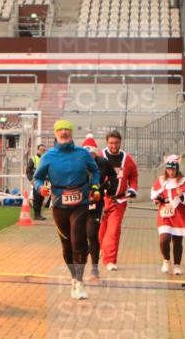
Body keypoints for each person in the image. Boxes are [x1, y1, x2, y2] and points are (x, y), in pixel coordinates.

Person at [33, 119, 100, 299]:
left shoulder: (82, 154)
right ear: (55, 134)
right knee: (66, 244)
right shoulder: (48, 156)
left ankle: (79, 282)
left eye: (67, 130)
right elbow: (37, 178)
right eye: (60, 130)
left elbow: (95, 171)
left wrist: (95, 187)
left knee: (78, 240)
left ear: (71, 133)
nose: (64, 133)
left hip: (80, 202)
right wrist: (41, 188)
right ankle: (74, 277)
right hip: (59, 204)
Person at [98, 130, 139, 271]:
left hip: (119, 201)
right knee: (100, 229)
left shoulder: (127, 159)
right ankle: (100, 248)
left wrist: (132, 189)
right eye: (111, 143)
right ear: (106, 142)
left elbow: (133, 176)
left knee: (113, 230)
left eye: (116, 143)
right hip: (101, 200)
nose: (113, 146)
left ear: (120, 142)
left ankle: (110, 260)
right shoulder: (99, 156)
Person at [150, 155, 185, 275]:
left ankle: (177, 265)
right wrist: (157, 199)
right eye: (169, 169)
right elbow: (155, 194)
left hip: (179, 213)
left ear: (177, 169)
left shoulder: (183, 181)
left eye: (173, 169)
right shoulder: (161, 180)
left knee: (177, 241)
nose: (171, 172)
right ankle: (166, 260)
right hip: (165, 213)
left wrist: (181, 195)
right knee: (164, 239)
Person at [81, 134, 118, 280]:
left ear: (95, 153)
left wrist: (110, 188)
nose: (89, 157)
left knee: (91, 234)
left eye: (91, 154)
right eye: (86, 154)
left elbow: (113, 175)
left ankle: (94, 268)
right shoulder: (78, 162)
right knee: (79, 236)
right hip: (80, 203)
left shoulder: (103, 162)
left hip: (96, 203)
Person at [26, 143, 48, 220]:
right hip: (36, 182)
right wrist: (31, 179)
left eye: (44, 150)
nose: (42, 151)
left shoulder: (46, 158)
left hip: (44, 181)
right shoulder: (33, 159)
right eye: (41, 149)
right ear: (38, 150)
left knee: (41, 198)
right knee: (37, 198)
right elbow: (28, 171)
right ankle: (37, 215)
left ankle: (39, 214)